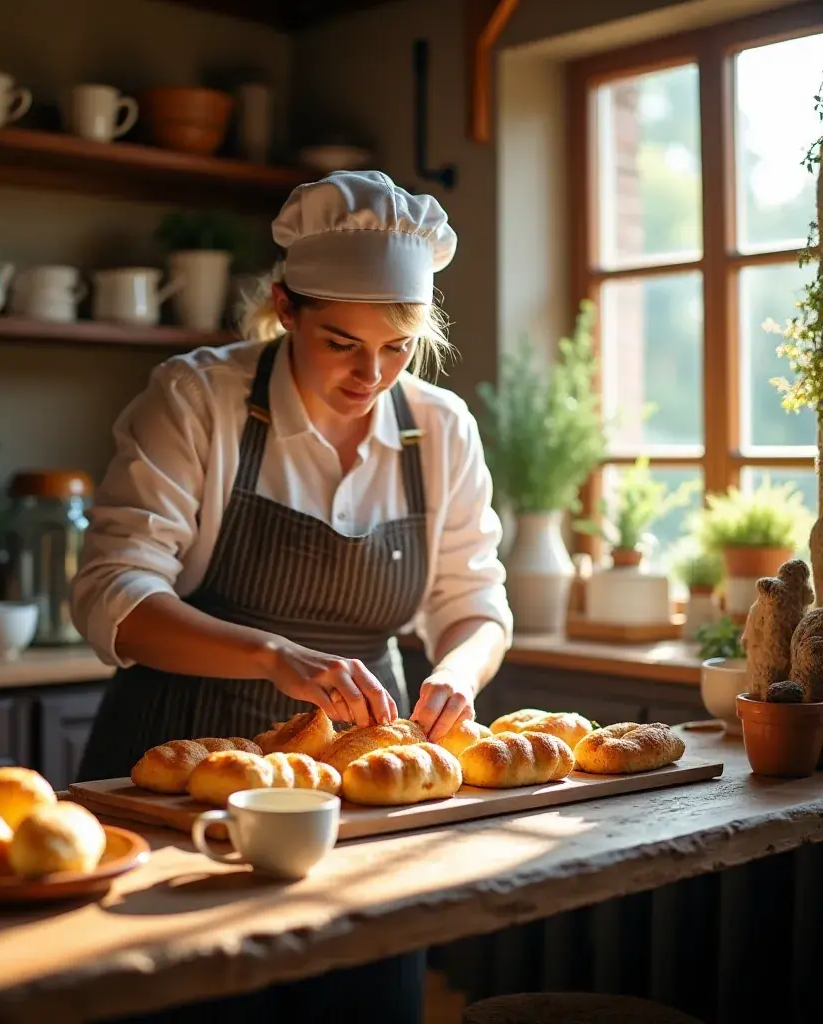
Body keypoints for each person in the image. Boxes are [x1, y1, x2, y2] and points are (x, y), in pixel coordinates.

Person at [70, 169, 513, 1023]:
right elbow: (113, 588)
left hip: (351, 791)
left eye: (397, 347)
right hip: (176, 776)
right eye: (342, 343)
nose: (371, 374)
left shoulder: (441, 430)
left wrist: (459, 671)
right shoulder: (200, 399)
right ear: (285, 307)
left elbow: (476, 602)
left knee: (362, 1002)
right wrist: (271, 654)